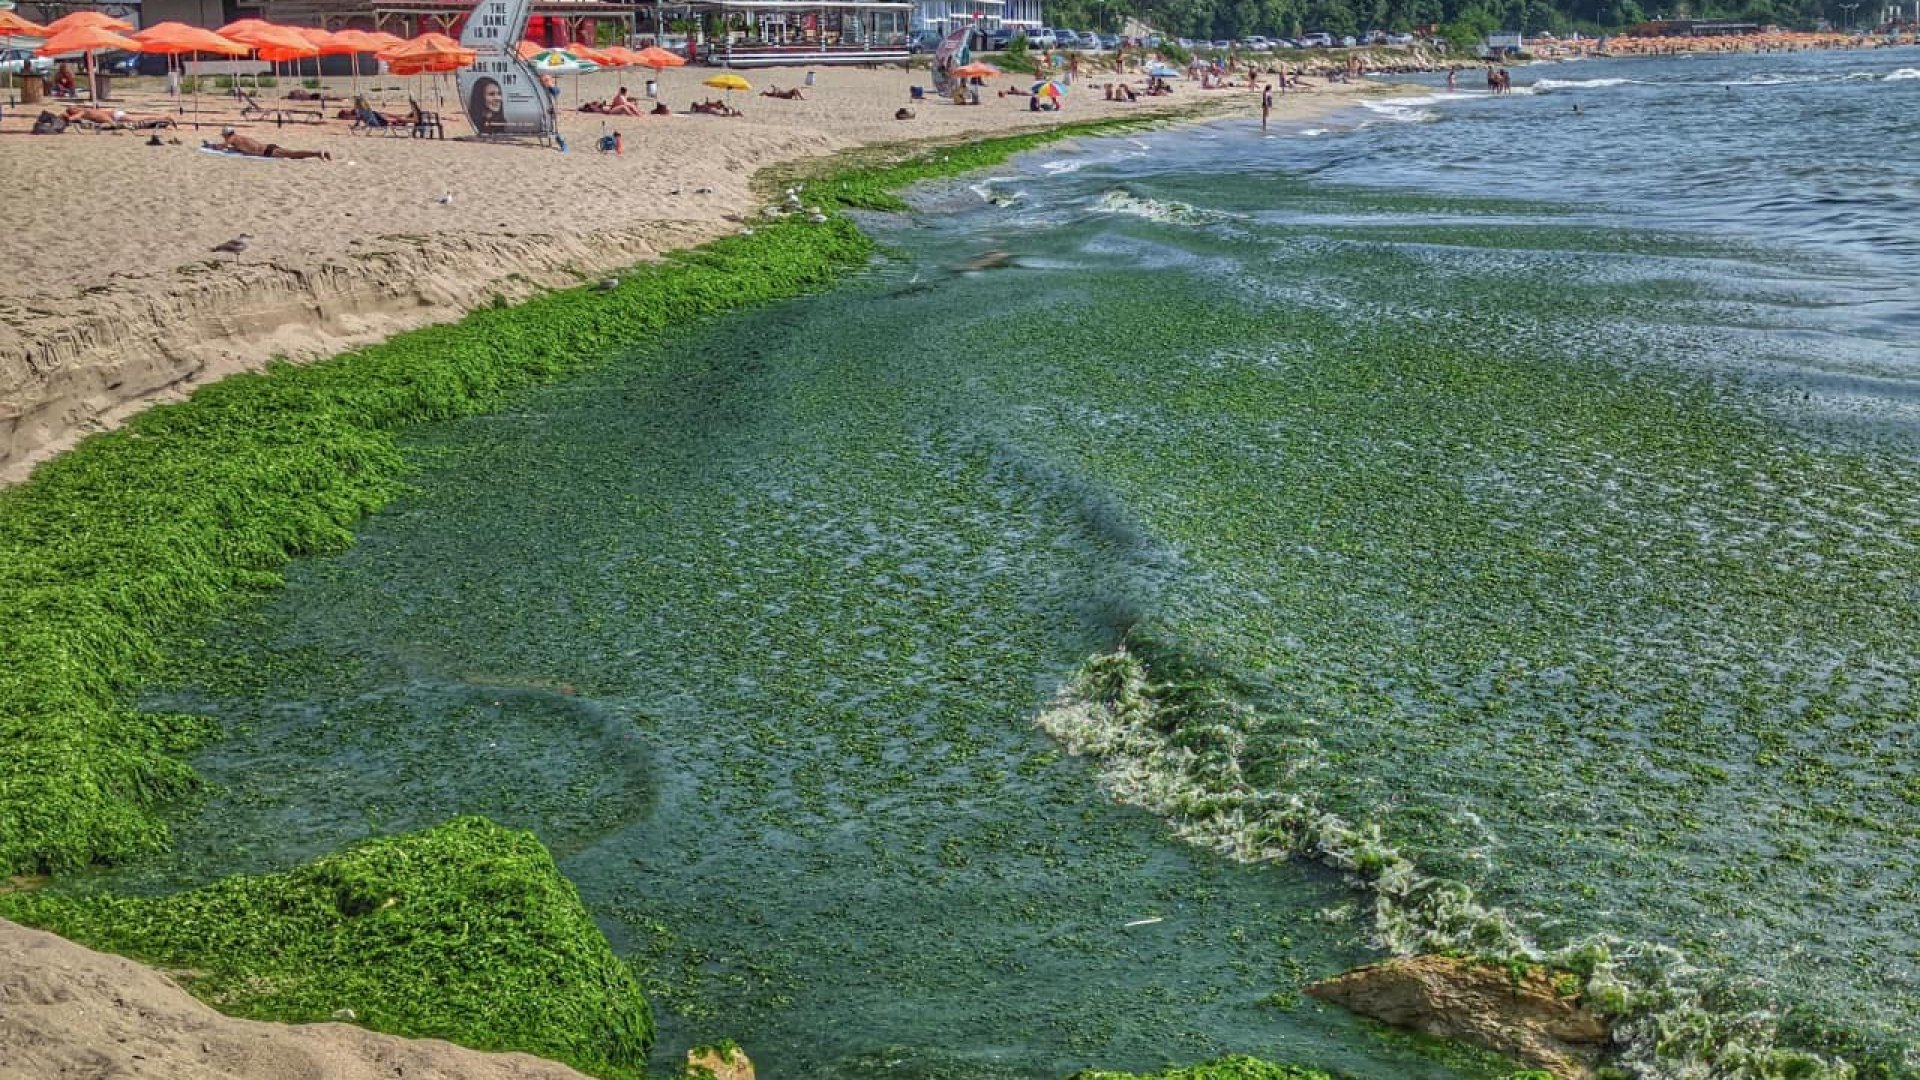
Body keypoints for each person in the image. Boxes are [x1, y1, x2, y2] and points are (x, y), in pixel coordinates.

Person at [209, 125, 329, 160]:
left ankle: (317, 153)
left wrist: (212, 146)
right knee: (293, 155)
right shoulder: (238, 138)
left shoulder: (232, 139)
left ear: (226, 135)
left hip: (266, 151)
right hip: (268, 147)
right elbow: (238, 148)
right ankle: (316, 154)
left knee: (293, 154)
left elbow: (222, 146)